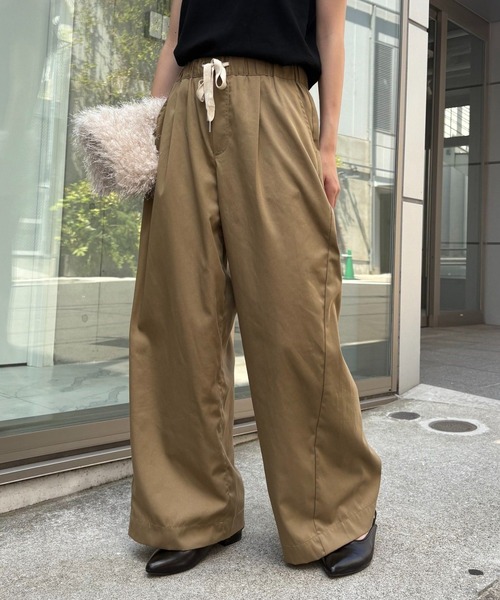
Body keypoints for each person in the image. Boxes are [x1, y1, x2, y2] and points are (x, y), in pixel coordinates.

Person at [128, 0, 382, 578]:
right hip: (185, 109)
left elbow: (331, 32)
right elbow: (174, 40)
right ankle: (193, 512)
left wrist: (327, 146)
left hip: (277, 103)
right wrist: (146, 136)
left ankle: (334, 509)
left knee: (295, 317)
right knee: (178, 320)